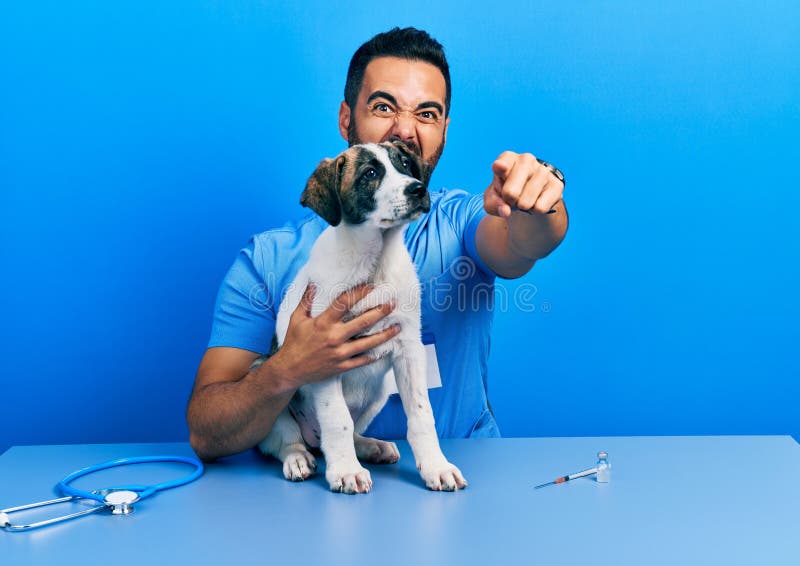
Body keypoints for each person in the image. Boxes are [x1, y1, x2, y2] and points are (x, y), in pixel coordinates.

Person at [187, 27, 568, 461]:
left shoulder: (460, 220)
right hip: (311, 493)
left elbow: (522, 244)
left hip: (465, 469)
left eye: (426, 114)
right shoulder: (268, 261)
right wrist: (287, 367)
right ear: (346, 119)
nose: (404, 130)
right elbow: (206, 433)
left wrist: (537, 203)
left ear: (444, 129)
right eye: (384, 106)